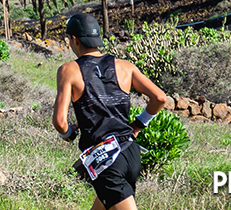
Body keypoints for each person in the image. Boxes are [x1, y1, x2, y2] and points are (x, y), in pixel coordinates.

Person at [53, 13, 167, 210]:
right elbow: (160, 98)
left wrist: (69, 134)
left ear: (74, 39)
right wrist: (139, 124)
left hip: (105, 159)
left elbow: (60, 122)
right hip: (130, 153)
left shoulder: (68, 70)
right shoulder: (125, 66)